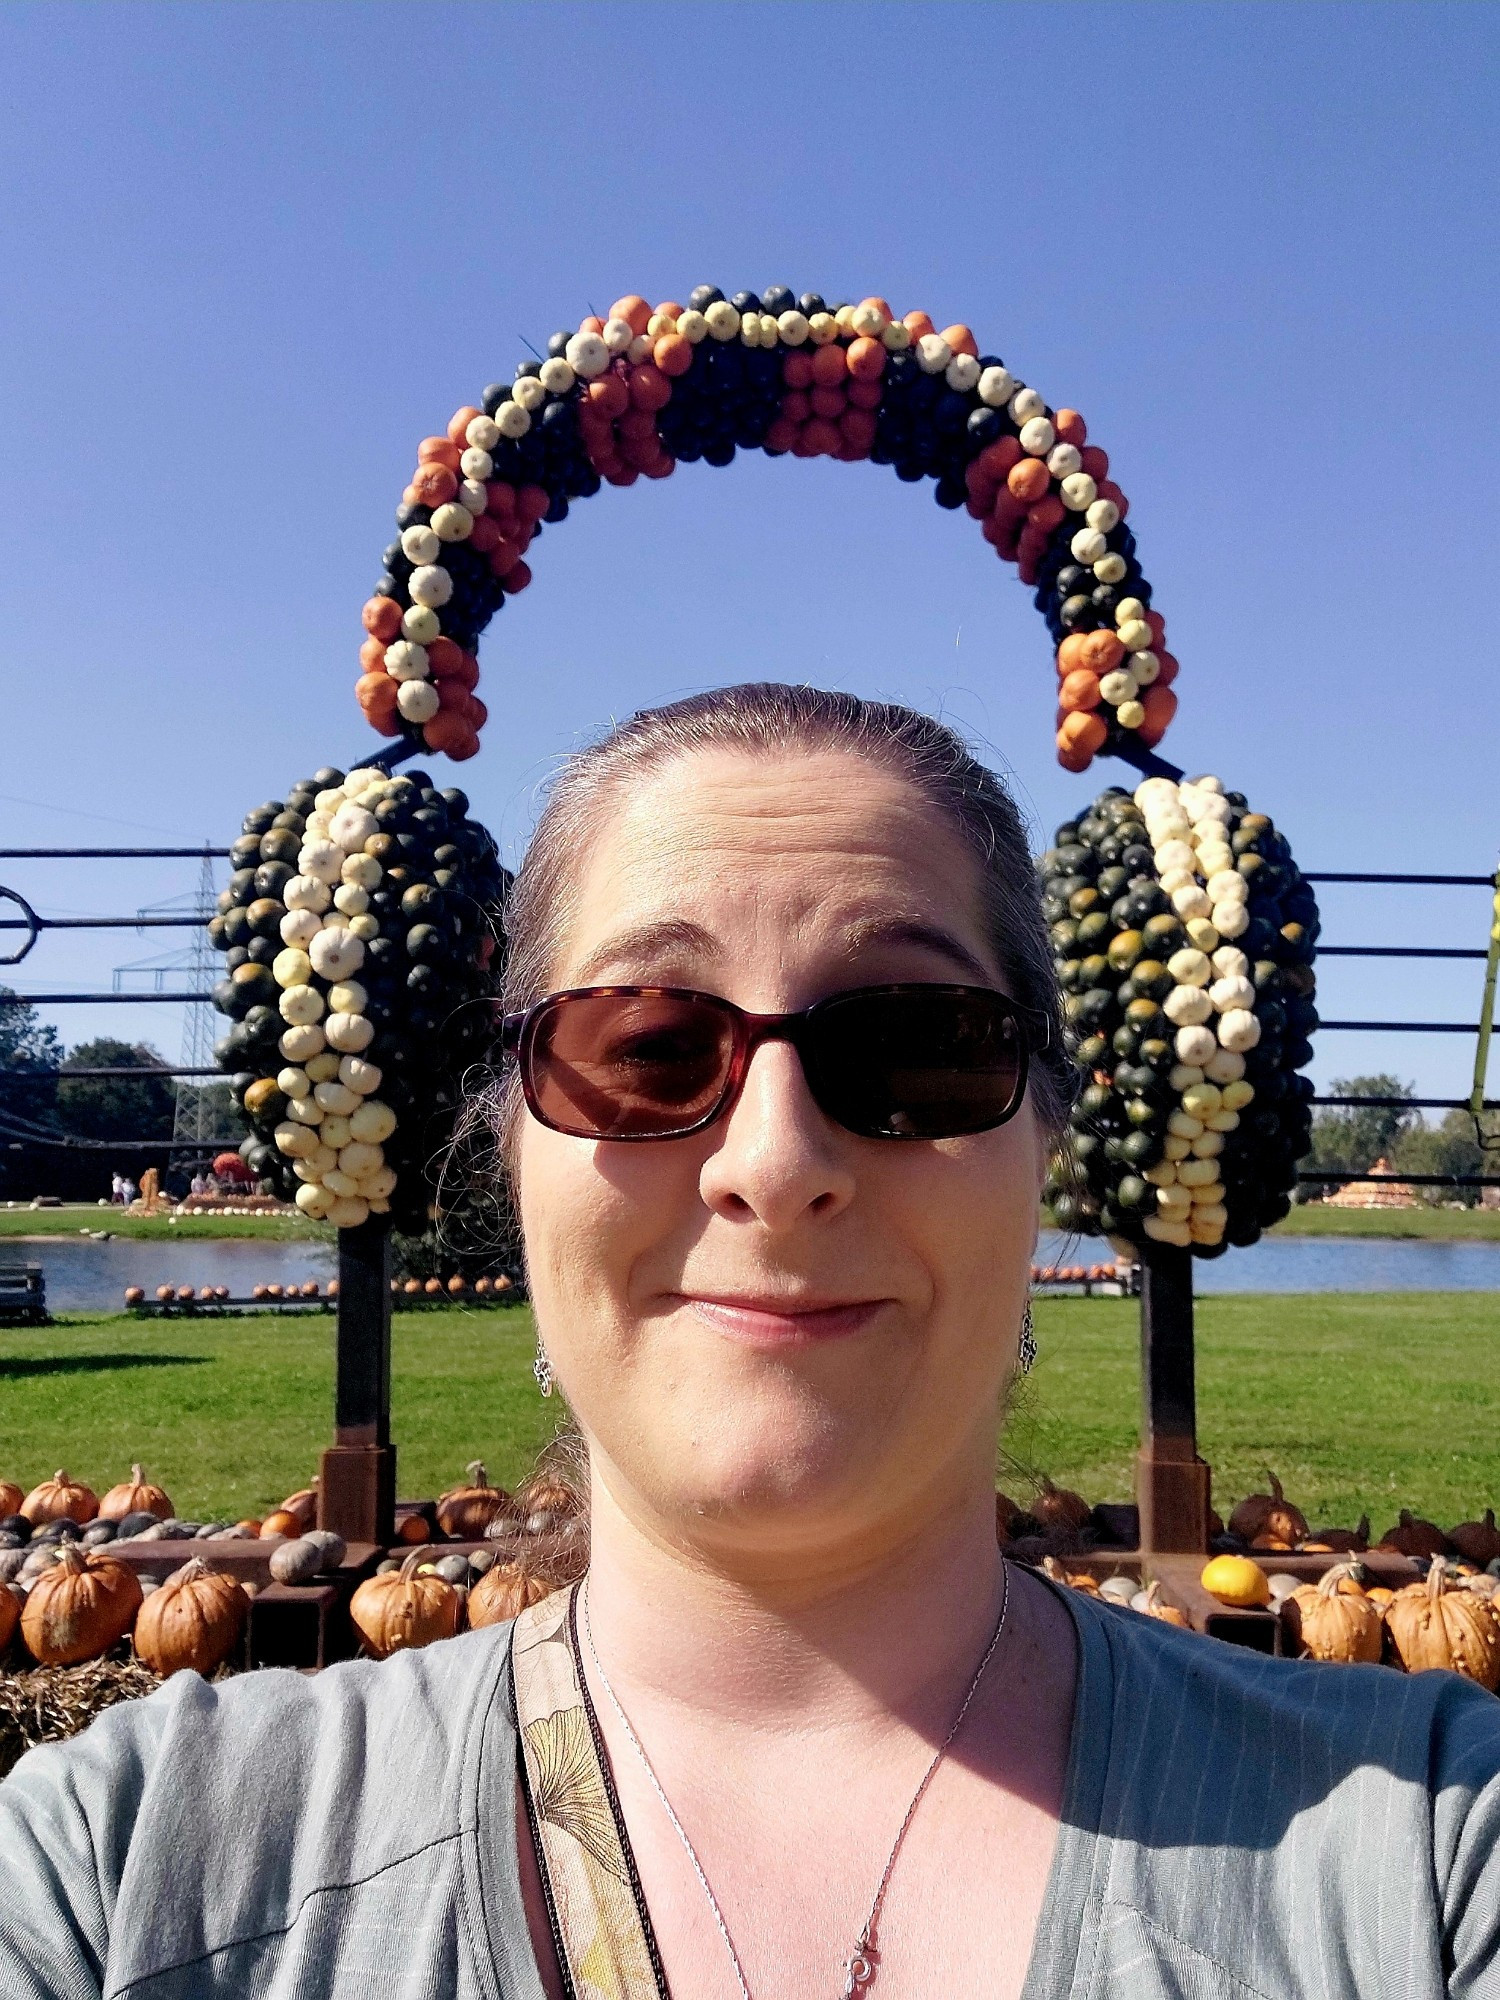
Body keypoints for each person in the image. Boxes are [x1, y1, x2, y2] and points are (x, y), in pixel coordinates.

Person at [3, 683, 1500, 2000]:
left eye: (915, 1044)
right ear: (505, 1150)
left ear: (1046, 1135)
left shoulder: (1425, 1855)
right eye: (646, 1048)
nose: (773, 1163)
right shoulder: (123, 1874)